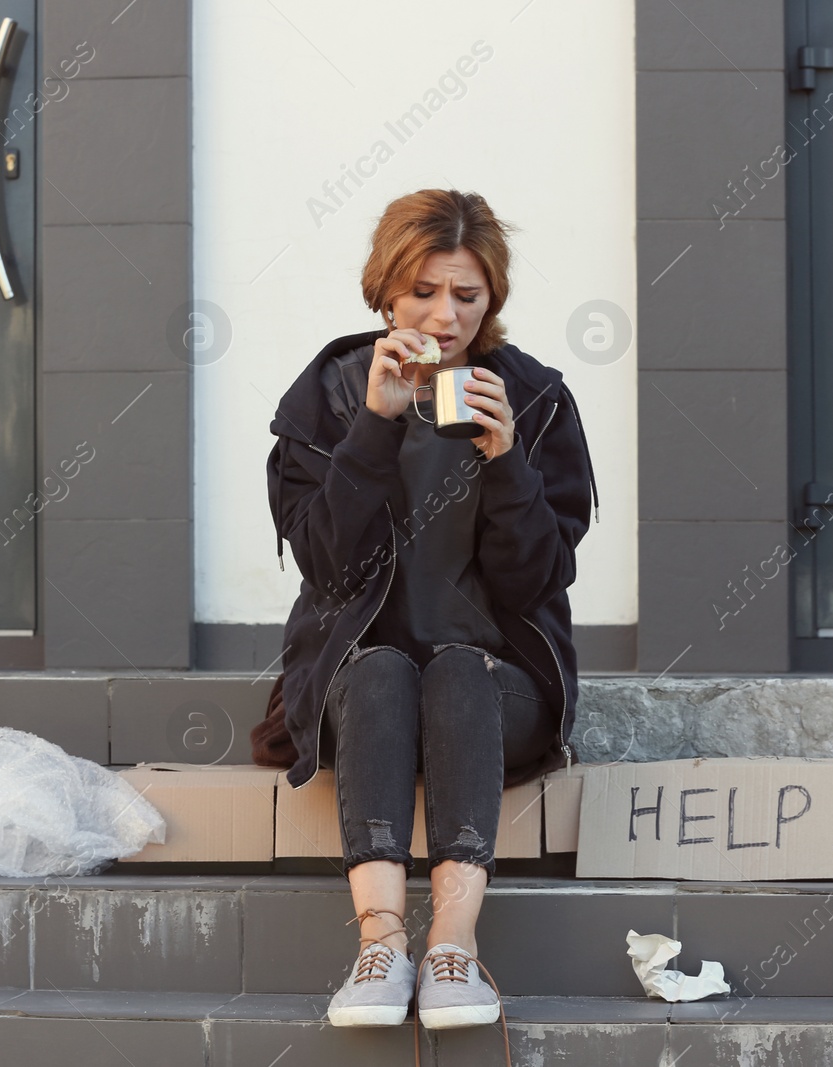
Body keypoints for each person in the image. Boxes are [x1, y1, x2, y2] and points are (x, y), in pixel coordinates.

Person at [264, 188, 598, 1043]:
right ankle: (381, 944)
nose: (444, 316)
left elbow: (537, 584)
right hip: (362, 697)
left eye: (467, 295)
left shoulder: (534, 397)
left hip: (496, 692)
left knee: (454, 666)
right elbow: (329, 570)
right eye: (422, 291)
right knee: (380, 667)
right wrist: (374, 426)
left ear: (492, 302)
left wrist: (507, 458)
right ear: (385, 291)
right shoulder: (331, 397)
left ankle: (452, 944)